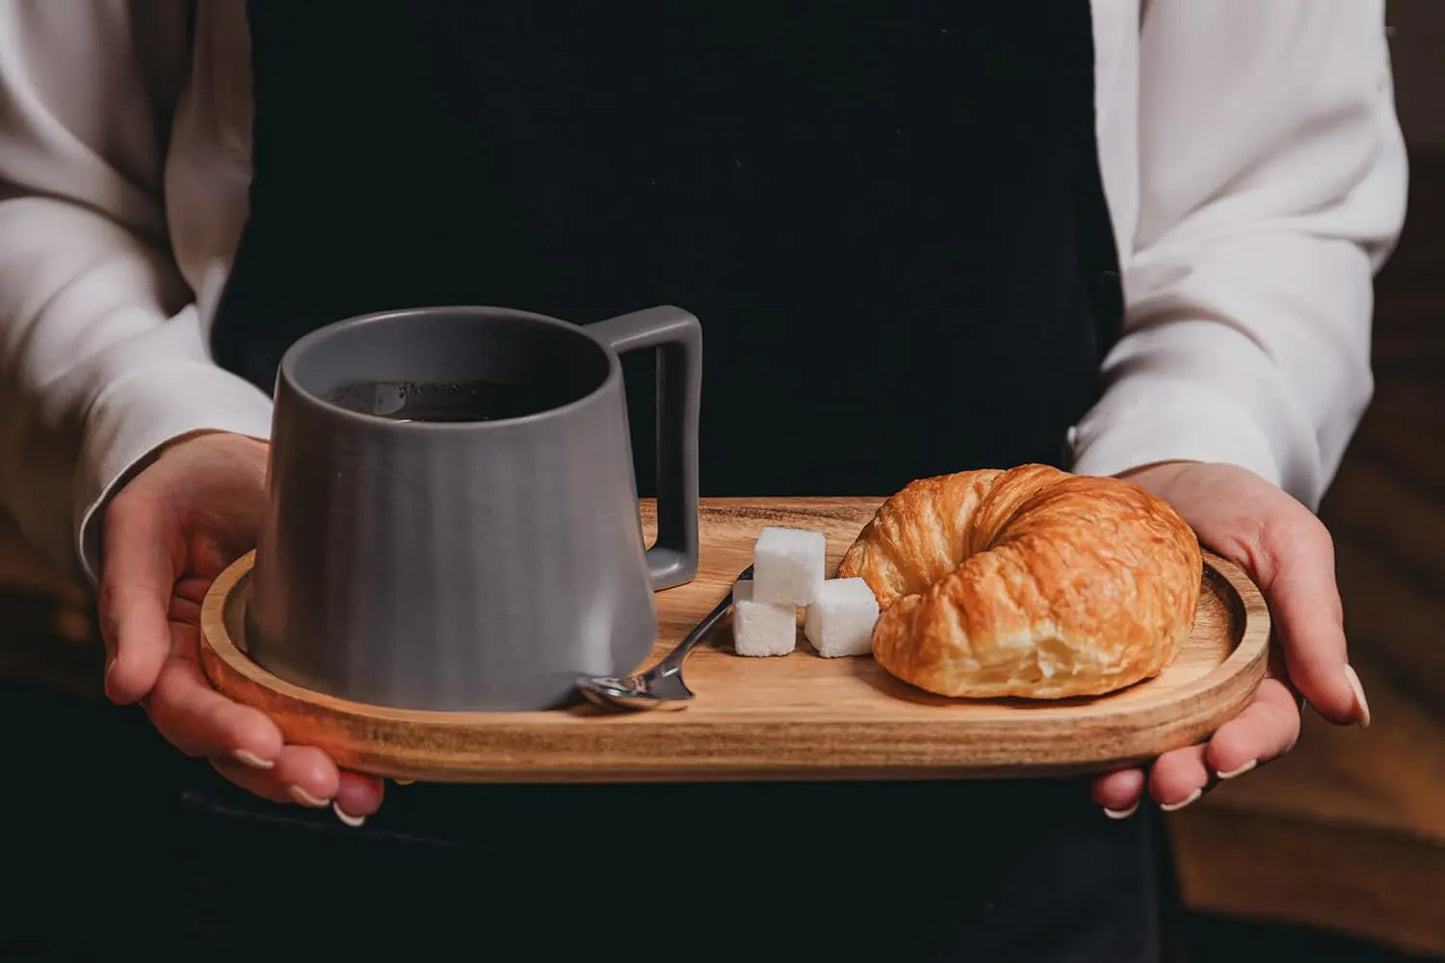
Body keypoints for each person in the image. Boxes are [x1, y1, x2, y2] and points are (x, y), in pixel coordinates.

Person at [0, 0, 1403, 959]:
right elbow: (40, 183)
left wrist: (1189, 450)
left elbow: (1264, 197)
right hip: (325, 789)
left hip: (1001, 825)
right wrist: (152, 423)